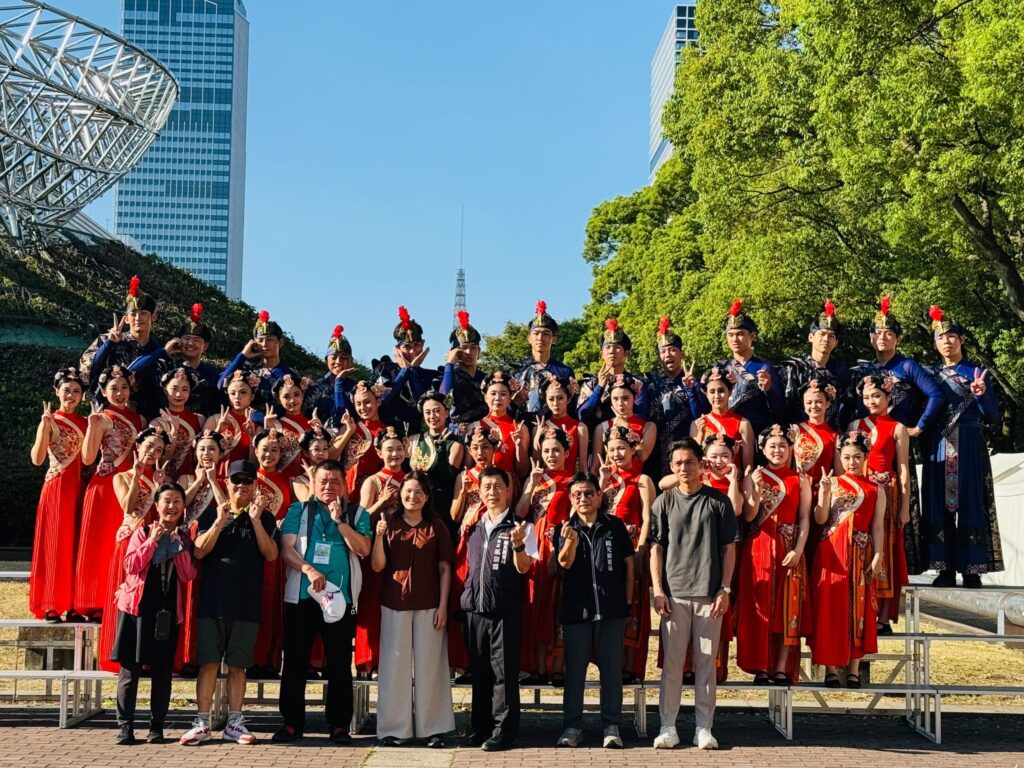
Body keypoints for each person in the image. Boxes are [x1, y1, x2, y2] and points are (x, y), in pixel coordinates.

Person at [179, 459, 279, 746]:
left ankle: (235, 721)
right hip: (213, 602)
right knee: (209, 663)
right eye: (236, 480)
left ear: (255, 486)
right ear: (227, 483)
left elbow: (271, 554)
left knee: (238, 665)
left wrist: (257, 521)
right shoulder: (211, 514)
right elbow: (198, 552)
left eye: (247, 481)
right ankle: (202, 722)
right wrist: (221, 520)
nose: (241, 486)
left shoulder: (265, 517)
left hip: (246, 604)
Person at [274, 459, 371, 745]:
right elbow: (285, 548)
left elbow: (363, 548)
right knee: (294, 661)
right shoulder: (298, 510)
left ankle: (339, 725)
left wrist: (340, 521)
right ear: (314, 484)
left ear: (345, 484)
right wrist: (308, 569)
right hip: (303, 598)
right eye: (323, 481)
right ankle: (292, 723)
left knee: (340, 663)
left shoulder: (356, 513)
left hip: (340, 599)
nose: (329, 486)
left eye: (335, 481)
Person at [650, 438, 738, 751]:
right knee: (672, 667)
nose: (684, 468)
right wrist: (658, 590)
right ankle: (668, 726)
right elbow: (656, 549)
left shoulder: (718, 501)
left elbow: (729, 548)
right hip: (673, 597)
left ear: (700, 464)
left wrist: (724, 589)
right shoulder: (663, 501)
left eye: (690, 462)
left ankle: (704, 728)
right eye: (678, 463)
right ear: (671, 467)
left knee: (705, 666)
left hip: (708, 596)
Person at [849, 297, 944, 576]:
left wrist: (919, 426)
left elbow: (936, 395)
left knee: (897, 514)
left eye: (889, 333)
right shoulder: (865, 369)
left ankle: (895, 579)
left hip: (896, 441)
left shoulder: (908, 366)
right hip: (866, 447)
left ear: (897, 339)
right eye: (877, 333)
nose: (883, 337)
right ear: (870, 338)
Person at [371, 472, 456, 747]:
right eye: (408, 491)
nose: (413, 496)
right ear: (400, 494)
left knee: (431, 667)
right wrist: (379, 536)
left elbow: (445, 568)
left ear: (427, 496)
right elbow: (377, 566)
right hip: (394, 602)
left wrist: (443, 606)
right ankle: (395, 729)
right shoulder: (390, 523)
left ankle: (433, 728)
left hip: (430, 603)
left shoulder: (437, 526)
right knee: (394, 667)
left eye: (419, 492)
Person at [552, 472, 634, 749]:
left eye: (589, 493)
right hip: (577, 609)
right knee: (575, 671)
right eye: (577, 494)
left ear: (600, 496)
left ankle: (611, 726)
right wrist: (571, 540)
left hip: (611, 608)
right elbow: (563, 564)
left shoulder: (615, 526)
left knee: (612, 671)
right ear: (570, 499)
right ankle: (572, 726)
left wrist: (629, 602)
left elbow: (629, 566)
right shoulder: (563, 528)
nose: (584, 499)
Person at [922, 307, 1003, 586]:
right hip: (938, 443)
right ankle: (944, 568)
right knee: (937, 502)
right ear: (935, 343)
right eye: (941, 337)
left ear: (962, 340)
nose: (947, 341)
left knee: (970, 501)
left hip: (969, 441)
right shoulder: (928, 374)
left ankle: (972, 568)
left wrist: (980, 396)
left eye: (952, 336)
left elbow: (991, 415)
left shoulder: (976, 372)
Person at [111, 482, 197, 745]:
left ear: (183, 507)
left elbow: (188, 574)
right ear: (157, 505)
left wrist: (178, 547)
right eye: (166, 501)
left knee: (162, 671)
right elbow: (131, 565)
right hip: (137, 609)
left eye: (177, 502)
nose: (171, 507)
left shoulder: (184, 537)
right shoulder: (143, 532)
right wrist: (153, 541)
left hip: (168, 610)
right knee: (130, 670)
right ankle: (125, 727)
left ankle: (156, 727)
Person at [460, 467, 538, 752]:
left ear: (508, 490)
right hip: (474, 610)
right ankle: (480, 727)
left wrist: (518, 546)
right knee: (478, 672)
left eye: (497, 486)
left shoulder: (521, 527)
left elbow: (524, 567)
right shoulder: (473, 526)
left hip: (504, 610)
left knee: (503, 674)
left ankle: (503, 730)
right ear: (479, 491)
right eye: (487, 487)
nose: (492, 492)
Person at [809, 432, 885, 688]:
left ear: (865, 458)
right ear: (839, 457)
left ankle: (853, 668)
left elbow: (877, 527)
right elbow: (820, 520)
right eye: (847, 457)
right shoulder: (832, 483)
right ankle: (831, 668)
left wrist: (877, 557)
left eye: (857, 457)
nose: (851, 462)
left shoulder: (875, 488)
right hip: (831, 552)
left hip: (861, 551)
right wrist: (823, 493)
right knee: (830, 608)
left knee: (859, 607)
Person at [737, 425, 812, 685]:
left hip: (789, 547)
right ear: (762, 449)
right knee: (761, 610)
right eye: (772, 446)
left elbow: (804, 519)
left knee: (787, 609)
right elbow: (748, 516)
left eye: (782, 446)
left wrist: (798, 549)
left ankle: (781, 667)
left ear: (790, 448)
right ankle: (760, 666)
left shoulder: (800, 478)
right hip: (759, 546)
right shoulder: (754, 476)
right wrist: (755, 491)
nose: (777, 450)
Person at [74, 366, 146, 620]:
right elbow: (87, 457)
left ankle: (121, 597)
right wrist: (93, 428)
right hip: (104, 486)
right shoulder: (101, 417)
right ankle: (92, 600)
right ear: (103, 391)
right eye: (113, 388)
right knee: (99, 543)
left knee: (124, 544)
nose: (119, 392)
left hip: (132, 486)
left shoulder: (140, 420)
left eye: (124, 387)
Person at [99, 427, 173, 673]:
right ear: (138, 445)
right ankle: (119, 654)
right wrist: (137, 476)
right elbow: (129, 508)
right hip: (130, 541)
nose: (152, 452)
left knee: (147, 599)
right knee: (124, 599)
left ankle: (144, 655)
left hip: (152, 542)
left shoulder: (161, 479)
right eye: (149, 446)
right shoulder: (120, 477)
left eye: (159, 449)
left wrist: (160, 486)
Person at [848, 374, 911, 632]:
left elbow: (903, 467)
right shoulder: (855, 424)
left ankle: (883, 618)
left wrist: (905, 506)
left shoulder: (898, 427)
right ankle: (858, 609)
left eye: (876, 396)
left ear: (888, 397)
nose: (871, 401)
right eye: (866, 397)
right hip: (862, 493)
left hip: (888, 491)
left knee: (886, 551)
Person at [29, 367, 88, 623]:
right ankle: (52, 603)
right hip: (56, 487)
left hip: (80, 488)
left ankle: (75, 604)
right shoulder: (50, 419)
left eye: (76, 391)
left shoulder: (87, 422)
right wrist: (44, 428)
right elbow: (37, 459)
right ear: (57, 392)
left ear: (83, 396)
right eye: (67, 391)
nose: (71, 395)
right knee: (54, 544)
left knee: (76, 545)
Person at [516, 426, 573, 684]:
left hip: (560, 546)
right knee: (536, 604)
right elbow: (520, 513)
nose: (551, 455)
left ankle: (559, 667)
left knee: (560, 604)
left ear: (566, 452)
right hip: (535, 546)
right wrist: (530, 486)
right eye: (547, 450)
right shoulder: (535, 479)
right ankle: (539, 667)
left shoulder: (574, 481)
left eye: (556, 450)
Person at [598, 424, 654, 683]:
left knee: (633, 604)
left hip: (631, 543)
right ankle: (609, 661)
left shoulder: (642, 480)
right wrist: (601, 480)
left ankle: (629, 666)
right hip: (605, 546)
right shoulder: (603, 477)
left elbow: (648, 517)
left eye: (622, 447)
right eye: (612, 449)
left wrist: (641, 549)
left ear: (633, 449)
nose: (617, 453)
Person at [355, 423, 408, 676]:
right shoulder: (373, 482)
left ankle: (397, 660)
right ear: (379, 453)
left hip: (405, 547)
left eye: (399, 449)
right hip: (378, 545)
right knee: (373, 603)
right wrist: (383, 502)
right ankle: (370, 660)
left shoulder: (410, 480)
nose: (395, 454)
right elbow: (361, 517)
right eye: (389, 450)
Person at [175, 431, 228, 675]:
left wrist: (214, 481)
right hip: (189, 539)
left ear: (220, 453)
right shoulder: (186, 478)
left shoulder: (226, 480)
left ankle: (207, 655)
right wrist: (199, 480)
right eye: (203, 449)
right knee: (189, 597)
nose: (207, 454)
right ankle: (186, 656)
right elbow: (181, 505)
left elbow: (226, 507)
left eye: (212, 449)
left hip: (215, 540)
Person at [80, 276, 165, 420]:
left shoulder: (160, 353)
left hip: (146, 422)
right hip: (107, 415)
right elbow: (85, 374)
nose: (138, 318)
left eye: (143, 313)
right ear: (126, 318)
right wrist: (109, 345)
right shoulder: (106, 341)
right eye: (133, 314)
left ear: (154, 317)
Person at [702, 300, 786, 437]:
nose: (735, 339)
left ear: (752, 336)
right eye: (731, 335)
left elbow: (780, 410)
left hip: (756, 433)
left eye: (740, 334)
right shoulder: (719, 368)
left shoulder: (765, 368)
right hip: (724, 434)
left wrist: (769, 390)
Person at [249, 429, 293, 677]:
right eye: (264, 449)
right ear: (256, 451)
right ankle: (251, 658)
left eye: (274, 450)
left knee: (273, 604)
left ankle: (270, 660)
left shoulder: (289, 480)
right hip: (251, 548)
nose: (269, 454)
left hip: (277, 549)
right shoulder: (248, 480)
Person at [646, 316, 706, 476]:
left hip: (686, 443)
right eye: (663, 351)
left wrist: (691, 389)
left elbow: (700, 417)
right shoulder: (651, 384)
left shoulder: (695, 383)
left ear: (682, 353)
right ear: (659, 357)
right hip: (657, 447)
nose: (668, 354)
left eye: (672, 350)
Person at [780, 301, 850, 428]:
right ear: (811, 337)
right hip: (800, 431)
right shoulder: (795, 368)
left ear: (836, 342)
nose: (826, 340)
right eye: (822, 334)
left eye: (831, 336)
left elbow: (847, 407)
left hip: (832, 433)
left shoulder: (842, 371)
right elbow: (786, 406)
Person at [408, 390, 464, 539]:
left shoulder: (455, 443)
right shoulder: (414, 440)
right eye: (428, 412)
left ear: (446, 413)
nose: (432, 416)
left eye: (437, 411)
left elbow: (448, 477)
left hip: (441, 504)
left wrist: (441, 451)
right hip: (415, 502)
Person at [217, 310, 298, 408]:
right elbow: (220, 385)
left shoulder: (288, 376)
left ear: (280, 343)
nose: (264, 344)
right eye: (260, 340)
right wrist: (242, 356)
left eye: (270, 340)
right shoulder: (246, 371)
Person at [578, 319, 649, 428]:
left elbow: (640, 416)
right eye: (608, 347)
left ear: (627, 353)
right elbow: (582, 415)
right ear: (601, 353)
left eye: (617, 347)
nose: (611, 351)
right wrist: (600, 387)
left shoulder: (637, 384)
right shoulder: (591, 384)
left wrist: (601, 415)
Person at [511, 300, 575, 418]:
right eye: (536, 333)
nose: (540, 338)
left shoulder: (564, 372)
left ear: (554, 339)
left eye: (546, 334)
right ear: (529, 338)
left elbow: (570, 409)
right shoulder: (516, 371)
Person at [375, 306, 435, 428]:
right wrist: (404, 372)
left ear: (422, 345)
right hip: (389, 436)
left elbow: (424, 404)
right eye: (407, 347)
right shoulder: (384, 369)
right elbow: (385, 400)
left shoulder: (430, 375)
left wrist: (413, 371)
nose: (413, 351)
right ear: (397, 349)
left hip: (417, 435)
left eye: (417, 345)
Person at [689, 366, 755, 473]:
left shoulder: (742, 423)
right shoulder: (697, 424)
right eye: (712, 391)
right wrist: (700, 434)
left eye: (721, 390)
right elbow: (693, 460)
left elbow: (748, 465)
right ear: (706, 394)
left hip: (733, 484)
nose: (717, 396)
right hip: (706, 485)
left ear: (730, 391)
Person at [163, 302, 222, 417]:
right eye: (187, 338)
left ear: (205, 346)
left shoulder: (212, 374)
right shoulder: (168, 367)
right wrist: (165, 352)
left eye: (197, 340)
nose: (190, 343)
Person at [590, 372, 656, 471]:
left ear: (634, 398)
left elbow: (643, 456)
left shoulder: (648, 426)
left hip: (638, 482)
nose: (620, 404)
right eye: (615, 399)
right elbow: (595, 466)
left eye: (625, 398)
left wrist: (626, 426)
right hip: (610, 482)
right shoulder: (602, 427)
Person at [476, 370, 530, 480]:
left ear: (510, 398)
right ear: (486, 397)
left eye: (503, 394)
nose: (497, 398)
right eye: (493, 394)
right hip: (481, 484)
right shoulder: (475, 426)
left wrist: (519, 446)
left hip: (509, 486)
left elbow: (523, 472)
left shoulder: (519, 428)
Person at [303, 324, 359, 428]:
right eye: (334, 357)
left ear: (351, 361)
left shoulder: (357, 388)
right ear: (326, 360)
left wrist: (339, 381)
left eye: (344, 358)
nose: (338, 361)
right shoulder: (315, 387)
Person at [152, 366, 203, 477]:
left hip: (192, 479)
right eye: (174, 389)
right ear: (165, 390)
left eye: (185, 389)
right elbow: (157, 462)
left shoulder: (200, 419)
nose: (179, 394)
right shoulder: (157, 423)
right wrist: (173, 434)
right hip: (164, 480)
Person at [439, 310, 488, 425]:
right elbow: (444, 399)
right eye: (464, 347)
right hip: (456, 431)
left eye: (473, 347)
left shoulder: (486, 378)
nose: (469, 352)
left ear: (479, 351)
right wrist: (449, 364)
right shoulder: (448, 376)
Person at [205, 371, 258, 474]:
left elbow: (255, 465)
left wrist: (252, 437)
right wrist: (217, 431)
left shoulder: (256, 426)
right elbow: (199, 455)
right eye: (233, 393)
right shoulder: (215, 420)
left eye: (243, 392)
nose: (237, 397)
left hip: (240, 481)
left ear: (252, 396)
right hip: (213, 476)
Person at [341, 380, 387, 498]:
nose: (363, 408)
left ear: (378, 401)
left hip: (373, 490)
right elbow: (331, 456)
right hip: (345, 490)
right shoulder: (349, 428)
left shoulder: (386, 432)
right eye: (358, 404)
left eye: (367, 402)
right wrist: (348, 432)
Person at [532, 374, 587, 473]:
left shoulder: (580, 428)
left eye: (560, 398)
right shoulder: (540, 428)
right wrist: (537, 438)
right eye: (551, 399)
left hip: (571, 483)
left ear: (568, 399)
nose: (555, 403)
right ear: (546, 400)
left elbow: (583, 466)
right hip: (545, 484)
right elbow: (535, 464)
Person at [263, 374, 312, 479]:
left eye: (296, 394)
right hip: (282, 479)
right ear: (279, 400)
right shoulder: (275, 425)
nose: (292, 400)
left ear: (303, 395)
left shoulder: (312, 424)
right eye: (286, 397)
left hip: (308, 479)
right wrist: (267, 429)